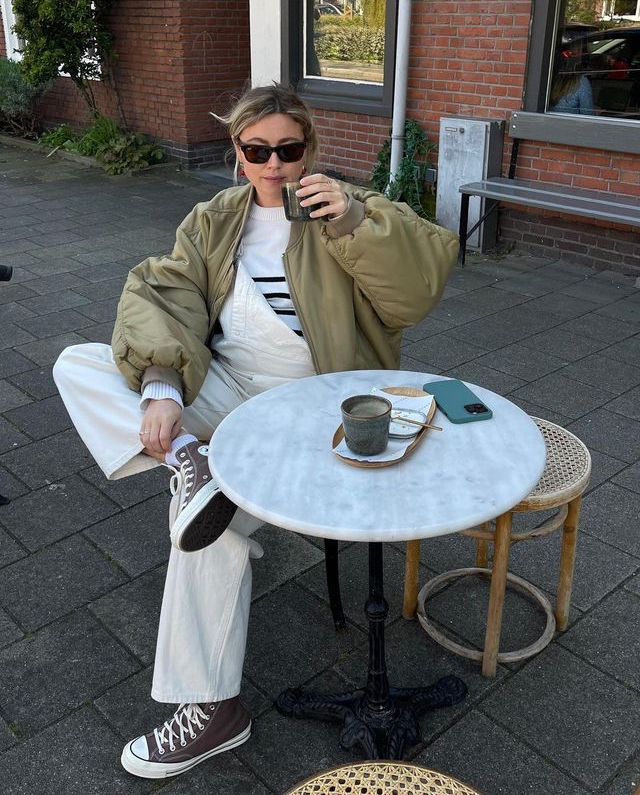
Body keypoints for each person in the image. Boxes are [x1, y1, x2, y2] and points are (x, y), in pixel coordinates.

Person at [53, 83, 458, 780]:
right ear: (238, 153)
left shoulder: (356, 209)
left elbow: (417, 291)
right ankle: (193, 460)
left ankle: (212, 707)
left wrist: (353, 222)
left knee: (207, 536)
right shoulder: (215, 218)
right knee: (78, 361)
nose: (274, 165)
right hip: (229, 393)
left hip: (316, 411)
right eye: (258, 150)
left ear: (311, 150)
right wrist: (162, 387)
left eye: (289, 150)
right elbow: (164, 292)